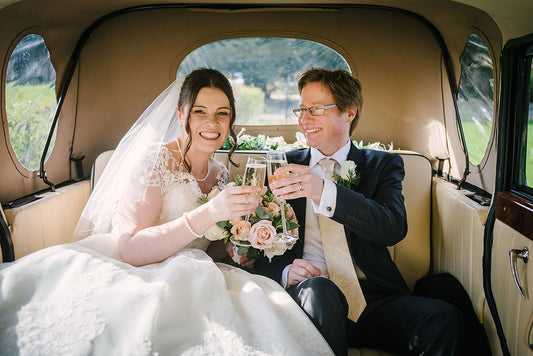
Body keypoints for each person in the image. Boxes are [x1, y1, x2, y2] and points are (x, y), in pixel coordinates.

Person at [0, 68, 333, 355]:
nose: (212, 123)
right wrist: (210, 212)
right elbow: (130, 249)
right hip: (140, 273)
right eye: (200, 112)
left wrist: (234, 248)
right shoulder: (152, 162)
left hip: (200, 273)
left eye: (222, 113)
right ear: (180, 115)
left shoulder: (221, 174)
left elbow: (211, 245)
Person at [255, 68, 464, 355]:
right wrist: (285, 270)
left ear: (349, 112)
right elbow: (255, 244)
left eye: (315, 109)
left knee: (443, 318)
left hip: (373, 298)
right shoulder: (280, 167)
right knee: (319, 292)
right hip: (309, 298)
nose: (304, 120)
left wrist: (323, 191)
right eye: (301, 110)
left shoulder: (383, 165)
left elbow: (392, 227)